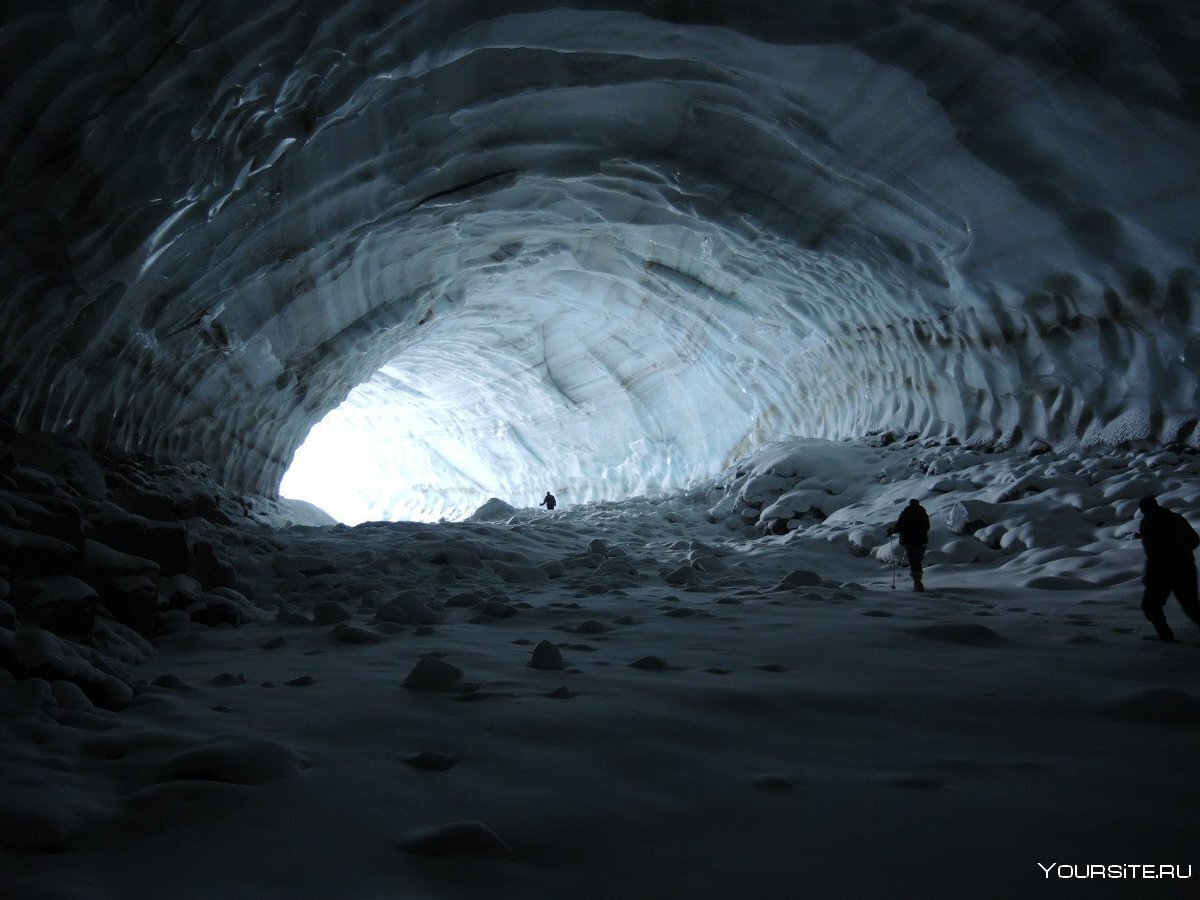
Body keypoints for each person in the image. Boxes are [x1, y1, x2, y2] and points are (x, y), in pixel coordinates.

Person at [1135, 496, 1200, 642]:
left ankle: (1165, 636)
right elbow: (1195, 539)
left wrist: (1151, 573)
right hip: (1186, 567)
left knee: (1150, 605)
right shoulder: (1177, 518)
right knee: (1192, 606)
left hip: (1162, 570)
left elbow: (1152, 552)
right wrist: (1182, 552)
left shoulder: (1147, 522)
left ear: (1144, 509)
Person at [888, 498, 930, 591]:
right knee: (917, 560)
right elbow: (927, 527)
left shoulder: (906, 513)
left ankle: (917, 583)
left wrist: (890, 531)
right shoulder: (923, 513)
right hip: (920, 541)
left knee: (913, 561)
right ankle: (918, 581)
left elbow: (898, 526)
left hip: (909, 541)